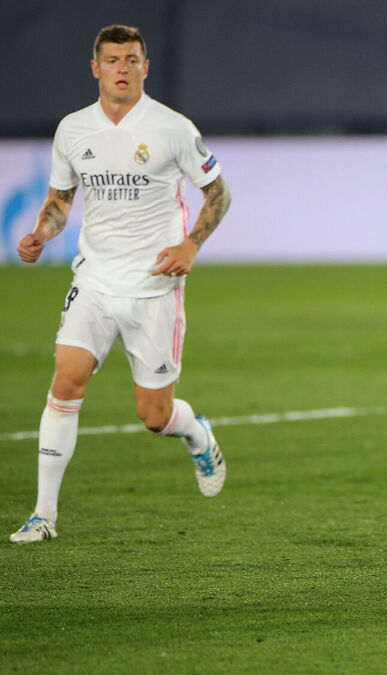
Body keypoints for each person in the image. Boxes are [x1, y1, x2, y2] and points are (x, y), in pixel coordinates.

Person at [11, 25, 231, 544]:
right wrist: (41, 234)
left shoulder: (172, 128)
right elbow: (60, 200)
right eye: (112, 60)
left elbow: (219, 193)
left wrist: (190, 246)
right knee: (66, 380)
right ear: (96, 68)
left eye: (132, 59)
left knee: (154, 416)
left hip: (153, 286)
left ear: (145, 67)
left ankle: (196, 433)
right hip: (94, 280)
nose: (122, 69)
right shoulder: (73, 130)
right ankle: (43, 515)